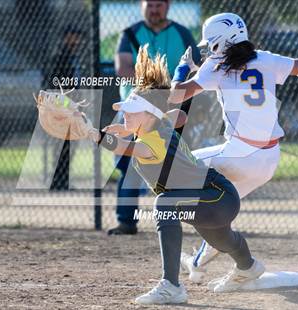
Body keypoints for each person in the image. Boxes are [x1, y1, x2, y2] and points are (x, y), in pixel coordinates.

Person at [86, 46, 264, 304]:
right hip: (210, 199)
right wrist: (179, 73)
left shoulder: (153, 141)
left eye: (130, 111)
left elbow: (129, 148)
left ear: (148, 115)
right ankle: (249, 267)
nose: (124, 113)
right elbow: (177, 114)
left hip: (216, 197)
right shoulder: (159, 125)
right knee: (221, 238)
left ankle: (171, 286)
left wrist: (99, 136)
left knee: (164, 204)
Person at [169, 13, 298, 285]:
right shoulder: (266, 59)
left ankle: (191, 259)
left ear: (222, 41)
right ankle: (216, 266)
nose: (208, 48)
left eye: (211, 43)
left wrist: (183, 68)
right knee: (217, 214)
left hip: (239, 156)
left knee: (176, 170)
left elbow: (175, 95)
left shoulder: (215, 65)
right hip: (268, 160)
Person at [109, 0, 200, 235]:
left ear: (167, 6)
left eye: (159, 5)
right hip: (134, 109)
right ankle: (126, 221)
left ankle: (188, 217)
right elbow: (123, 68)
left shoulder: (181, 33)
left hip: (171, 110)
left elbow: (197, 68)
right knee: (129, 163)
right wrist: (153, 91)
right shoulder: (130, 33)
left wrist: (167, 96)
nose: (154, 9)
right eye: (150, 5)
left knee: (176, 162)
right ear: (142, 6)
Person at [42, 27, 83, 190]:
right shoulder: (60, 57)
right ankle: (57, 181)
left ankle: (62, 181)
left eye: (77, 38)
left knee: (69, 145)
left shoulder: (72, 57)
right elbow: (55, 85)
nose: (76, 41)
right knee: (61, 145)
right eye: (72, 37)